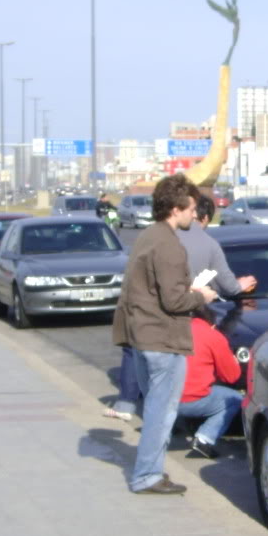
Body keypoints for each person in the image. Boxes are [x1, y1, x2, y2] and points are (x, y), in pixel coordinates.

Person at [112, 174, 218, 495]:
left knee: (156, 408)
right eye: (190, 208)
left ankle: (152, 471)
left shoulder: (148, 236)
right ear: (175, 208)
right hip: (162, 338)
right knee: (162, 411)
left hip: (142, 334)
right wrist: (202, 296)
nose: (194, 214)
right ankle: (147, 476)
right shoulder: (169, 245)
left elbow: (149, 290)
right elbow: (174, 301)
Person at [178, 308, 242, 459]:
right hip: (189, 400)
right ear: (212, 324)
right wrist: (234, 361)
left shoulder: (173, 329)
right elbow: (231, 377)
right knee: (234, 399)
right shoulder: (213, 336)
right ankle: (204, 439)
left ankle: (171, 428)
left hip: (160, 396)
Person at [176, 193, 257, 297]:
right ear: (205, 218)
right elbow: (229, 286)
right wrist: (240, 284)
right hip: (191, 305)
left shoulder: (167, 235)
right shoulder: (209, 244)